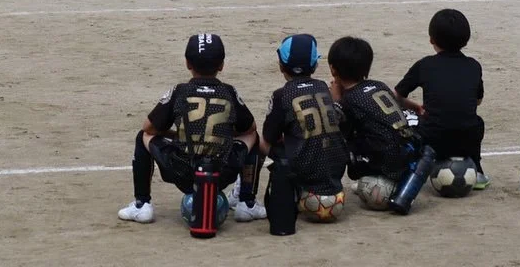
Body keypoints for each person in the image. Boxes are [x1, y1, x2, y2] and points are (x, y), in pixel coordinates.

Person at [117, 33, 266, 224]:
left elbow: (149, 127)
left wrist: (176, 134)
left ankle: (142, 204)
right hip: (221, 173)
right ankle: (247, 202)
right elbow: (249, 127)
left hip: (182, 172)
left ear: (188, 63)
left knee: (143, 136)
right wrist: (224, 135)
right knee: (252, 135)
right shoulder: (229, 92)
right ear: (221, 65)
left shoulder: (179, 91)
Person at [395, 9, 489, 189]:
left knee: (404, 121)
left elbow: (396, 96)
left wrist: (414, 107)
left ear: (432, 39)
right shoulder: (474, 66)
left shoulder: (425, 65)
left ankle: (410, 168)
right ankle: (476, 169)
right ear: (466, 40)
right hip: (466, 140)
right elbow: (477, 101)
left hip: (432, 141)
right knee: (476, 122)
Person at [261, 34, 348, 220]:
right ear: (315, 66)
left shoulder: (281, 94)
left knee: (258, 141)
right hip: (335, 172)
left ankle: (245, 196)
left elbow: (269, 136)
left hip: (303, 171)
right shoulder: (323, 87)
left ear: (281, 65)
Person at [328, 36, 417, 183]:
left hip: (386, 163)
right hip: (407, 152)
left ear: (333, 69)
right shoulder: (379, 85)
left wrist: (336, 101)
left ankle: (375, 179)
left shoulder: (348, 100)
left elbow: (337, 127)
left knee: (337, 139)